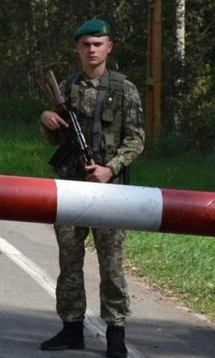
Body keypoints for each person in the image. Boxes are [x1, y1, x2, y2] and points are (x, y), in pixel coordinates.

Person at [38, 19, 145, 358]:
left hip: (110, 192)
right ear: (78, 49)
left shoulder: (124, 89)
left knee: (111, 264)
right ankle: (71, 328)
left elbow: (136, 139)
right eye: (85, 44)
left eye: (97, 43)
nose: (91, 49)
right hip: (71, 189)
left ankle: (116, 332)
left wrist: (109, 169)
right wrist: (47, 122)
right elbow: (56, 140)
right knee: (69, 260)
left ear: (108, 47)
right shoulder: (66, 87)